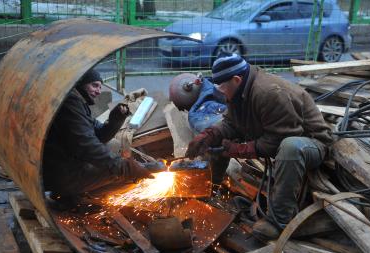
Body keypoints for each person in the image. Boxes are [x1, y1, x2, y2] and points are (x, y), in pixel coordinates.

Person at [185, 53, 333, 237]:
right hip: (275, 134)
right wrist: (209, 135)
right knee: (215, 141)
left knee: (290, 148)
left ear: (237, 79)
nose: (219, 92)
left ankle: (279, 220)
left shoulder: (268, 92)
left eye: (221, 87)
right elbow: (231, 124)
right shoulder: (239, 90)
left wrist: (238, 150)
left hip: (310, 143)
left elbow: (279, 140)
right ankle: (209, 191)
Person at [43, 69, 153, 203]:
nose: (98, 91)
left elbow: (99, 134)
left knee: (113, 147)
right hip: (62, 177)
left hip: (63, 167)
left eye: (100, 87)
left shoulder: (78, 102)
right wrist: (124, 167)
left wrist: (116, 119)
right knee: (126, 177)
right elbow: (87, 145)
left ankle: (74, 194)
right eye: (94, 85)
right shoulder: (70, 102)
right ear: (82, 83)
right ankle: (74, 199)